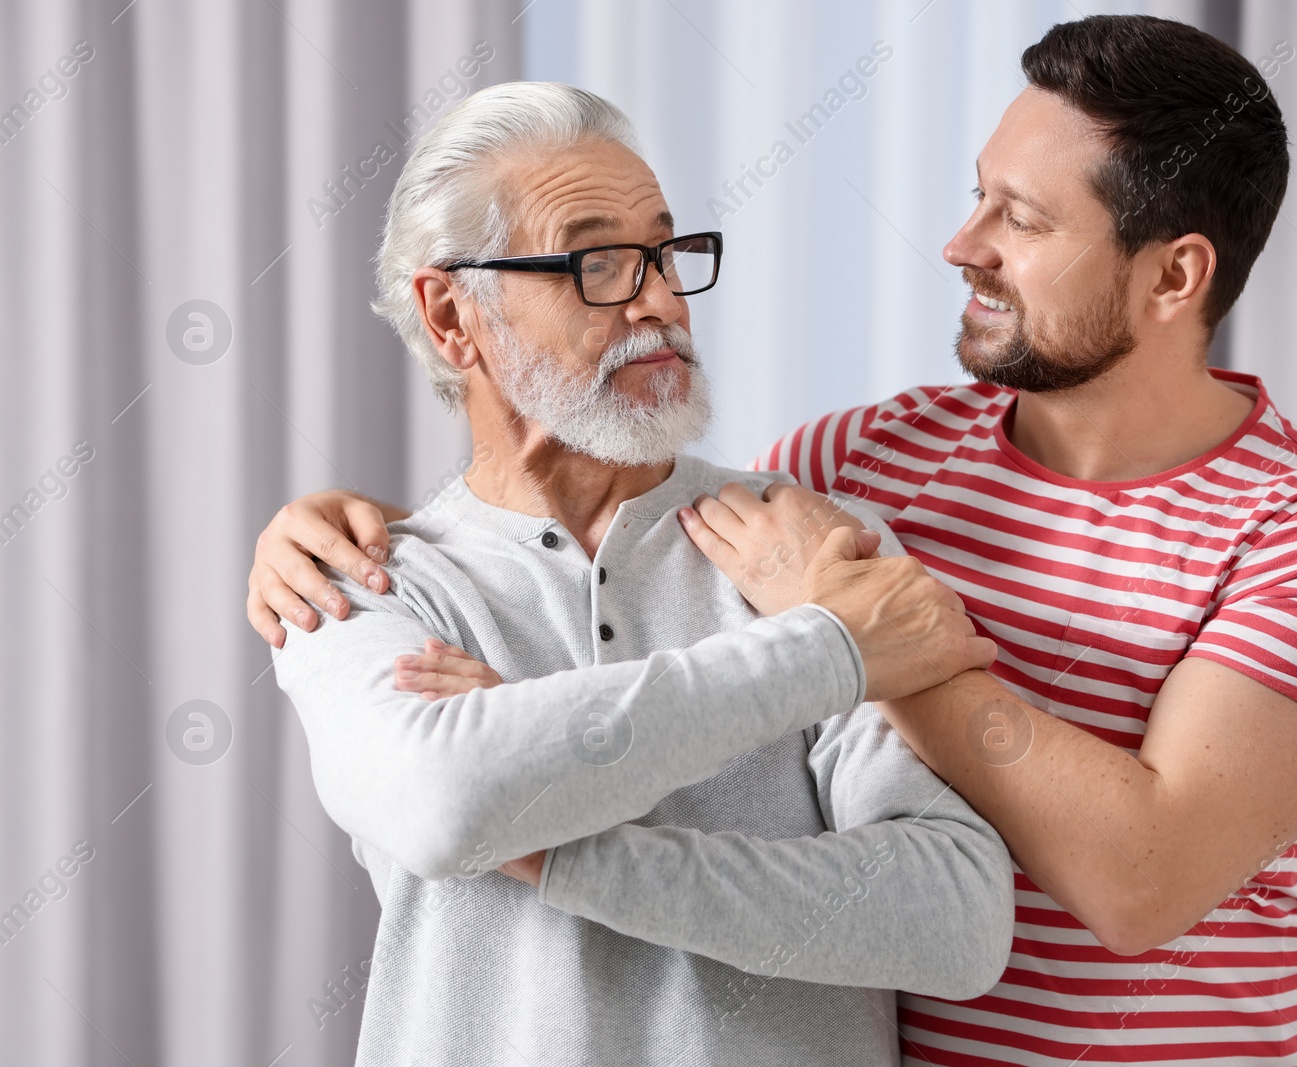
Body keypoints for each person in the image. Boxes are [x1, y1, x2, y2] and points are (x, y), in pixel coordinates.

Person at [251, 16, 1297, 1066]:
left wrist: (856, 649)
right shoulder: (857, 466)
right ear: (451, 311)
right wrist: (338, 534)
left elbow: (1129, 882)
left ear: (1175, 275)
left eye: (1019, 219)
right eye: (979, 194)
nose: (962, 244)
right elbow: (593, 516)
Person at [264, 79, 1015, 1067]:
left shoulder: (803, 546)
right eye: (599, 263)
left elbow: (954, 919)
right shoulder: (357, 579)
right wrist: (823, 653)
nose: (660, 298)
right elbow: (445, 803)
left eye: (665, 252)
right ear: (452, 316)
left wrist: (552, 838)